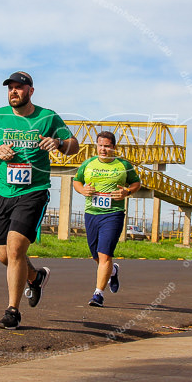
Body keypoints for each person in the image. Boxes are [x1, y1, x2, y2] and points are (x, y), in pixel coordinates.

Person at [0, 71, 79, 329]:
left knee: (15, 248)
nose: (14, 91)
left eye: (19, 87)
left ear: (31, 91)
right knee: (4, 256)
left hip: (34, 190)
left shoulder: (48, 117)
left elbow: (73, 145)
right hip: (4, 192)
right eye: (10, 87)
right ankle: (35, 276)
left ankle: (12, 311)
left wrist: (57, 142)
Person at [72, 131, 141, 307]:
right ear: (97, 146)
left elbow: (136, 183)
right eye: (100, 145)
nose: (103, 149)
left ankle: (98, 294)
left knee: (104, 254)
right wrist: (82, 190)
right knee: (95, 254)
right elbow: (77, 181)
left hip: (113, 214)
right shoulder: (88, 163)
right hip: (91, 213)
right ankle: (113, 271)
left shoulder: (123, 165)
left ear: (114, 147)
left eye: (107, 146)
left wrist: (127, 192)